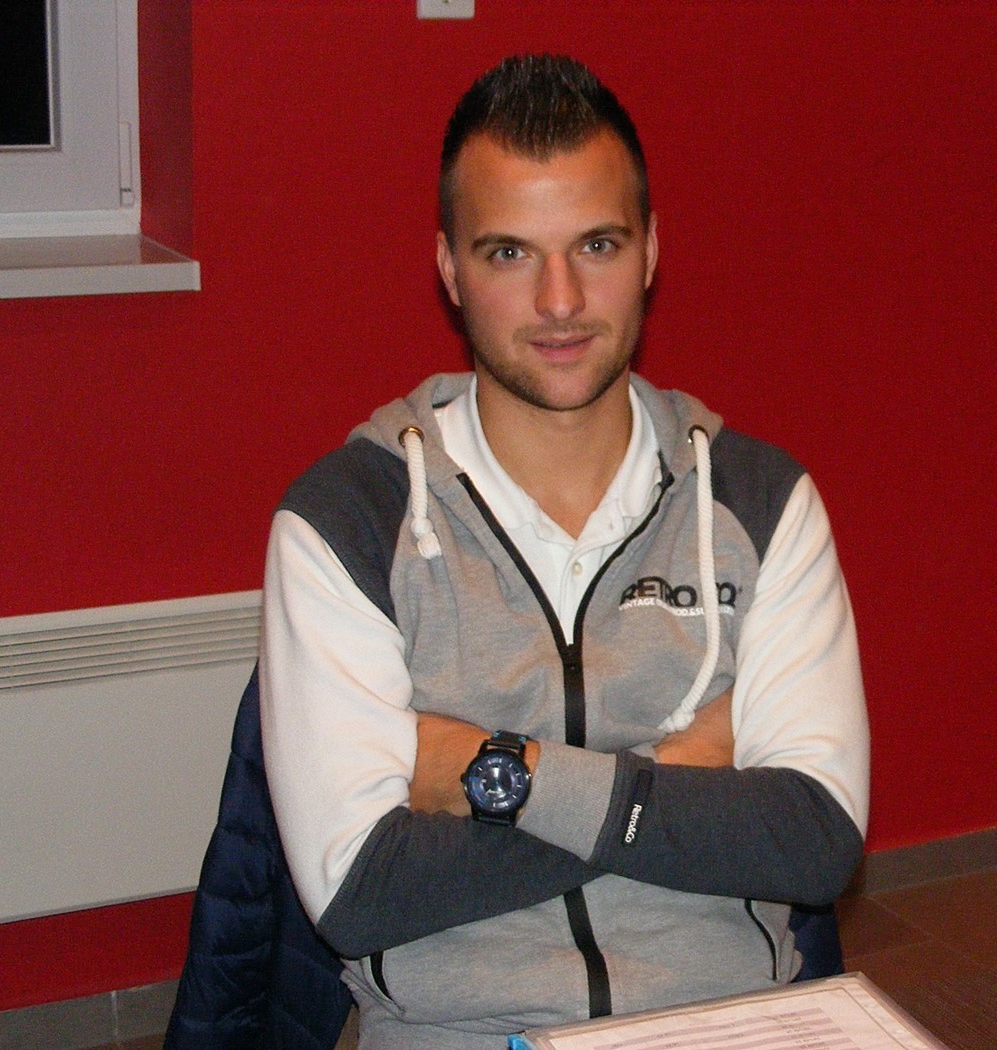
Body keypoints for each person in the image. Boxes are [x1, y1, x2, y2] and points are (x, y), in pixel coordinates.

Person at [259, 54, 870, 1049]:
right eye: (509, 253)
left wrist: (503, 775)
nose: (558, 300)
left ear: (650, 251)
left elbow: (811, 844)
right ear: (450, 270)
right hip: (458, 1032)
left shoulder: (759, 502)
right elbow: (362, 891)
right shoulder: (348, 520)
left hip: (722, 1022)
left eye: (596, 244)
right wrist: (674, 776)